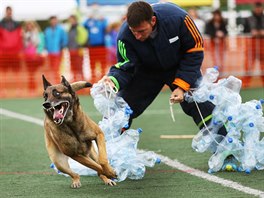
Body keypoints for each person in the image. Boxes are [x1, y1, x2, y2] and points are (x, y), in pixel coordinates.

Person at [99, 1, 227, 139]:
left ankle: (226, 151)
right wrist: (113, 80)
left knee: (201, 105)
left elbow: (194, 50)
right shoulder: (124, 35)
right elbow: (126, 66)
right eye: (133, 31)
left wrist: (181, 86)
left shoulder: (178, 18)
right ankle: (104, 152)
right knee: (119, 110)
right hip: (146, 72)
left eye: (141, 31)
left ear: (153, 20)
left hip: (180, 67)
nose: (137, 36)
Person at [243, 2, 264, 87]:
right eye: (257, 7)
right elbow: (244, 30)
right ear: (254, 8)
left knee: (263, 66)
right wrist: (251, 32)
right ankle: (246, 84)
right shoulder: (248, 19)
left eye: (259, 7)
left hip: (262, 46)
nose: (258, 9)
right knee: (249, 65)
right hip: (252, 45)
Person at [22, 20, 45, 92]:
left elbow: (41, 45)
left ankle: (35, 87)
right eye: (28, 25)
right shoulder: (25, 35)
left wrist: (37, 53)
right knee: (30, 73)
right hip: (28, 56)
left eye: (31, 25)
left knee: (34, 73)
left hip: (36, 56)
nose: (29, 27)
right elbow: (24, 45)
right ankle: (31, 88)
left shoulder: (39, 34)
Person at [44, 16, 68, 83]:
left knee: (57, 68)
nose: (54, 22)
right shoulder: (47, 30)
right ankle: (53, 82)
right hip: (49, 53)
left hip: (58, 52)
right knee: (51, 68)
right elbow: (45, 40)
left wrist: (61, 47)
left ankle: (57, 82)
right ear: (50, 21)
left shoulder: (61, 30)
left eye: (55, 20)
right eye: (52, 20)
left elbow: (65, 40)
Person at [0, 6, 23, 72]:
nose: (9, 13)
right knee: (4, 71)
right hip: (4, 53)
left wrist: (20, 49)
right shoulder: (1, 24)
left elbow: (20, 38)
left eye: (10, 12)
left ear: (11, 12)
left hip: (15, 52)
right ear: (5, 12)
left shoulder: (17, 24)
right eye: (8, 12)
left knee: (16, 70)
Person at [67, 14, 88, 81]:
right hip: (71, 50)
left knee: (79, 66)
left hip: (78, 50)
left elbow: (84, 36)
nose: (71, 21)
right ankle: (75, 79)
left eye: (72, 20)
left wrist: (80, 44)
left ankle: (81, 80)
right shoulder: (70, 28)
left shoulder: (79, 27)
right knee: (73, 66)